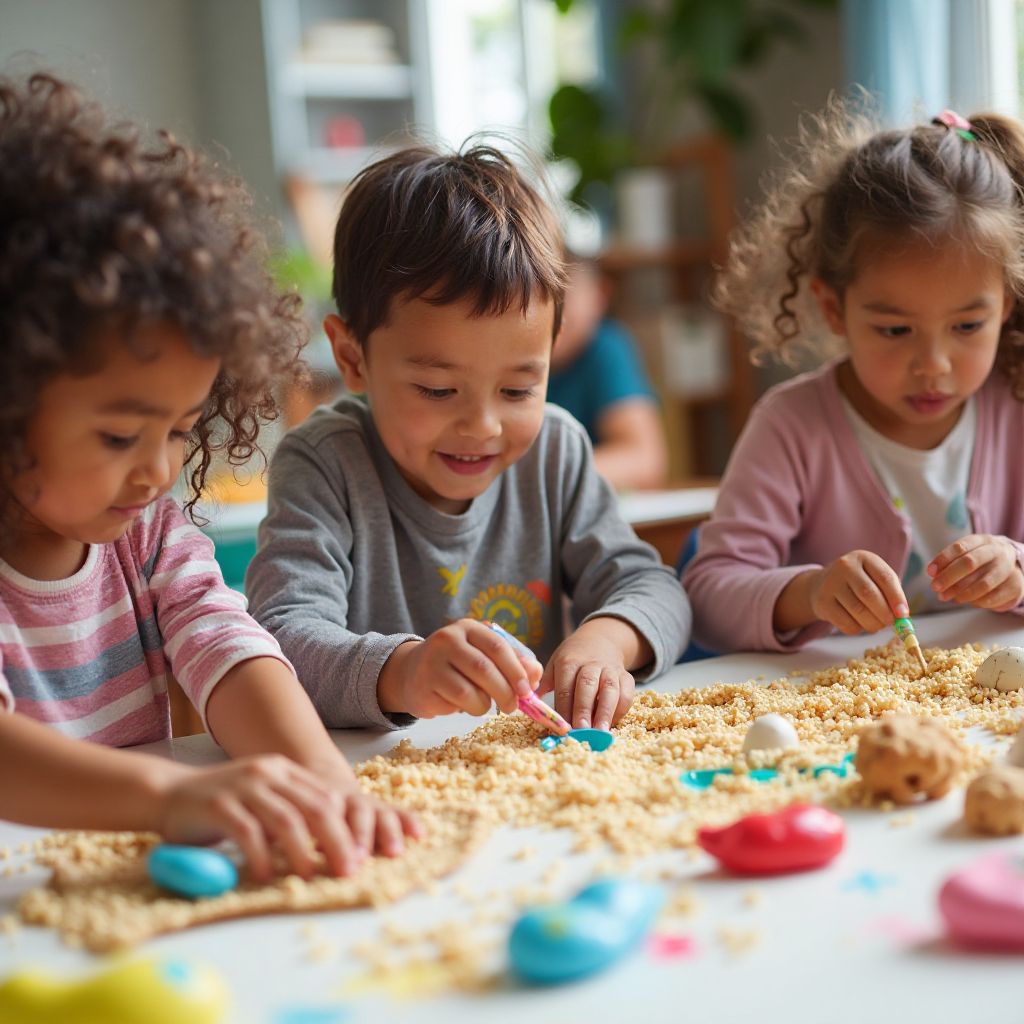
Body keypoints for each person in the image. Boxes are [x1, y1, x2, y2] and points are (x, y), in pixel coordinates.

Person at [0, 72, 419, 880]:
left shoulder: (146, 528)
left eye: (182, 430)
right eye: (121, 434)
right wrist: (165, 798)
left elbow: (226, 646)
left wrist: (326, 784)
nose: (158, 471)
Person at [245, 143, 690, 734]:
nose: (483, 427)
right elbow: (279, 637)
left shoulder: (555, 451)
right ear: (353, 357)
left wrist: (607, 642)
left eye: (517, 391)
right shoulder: (325, 463)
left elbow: (652, 586)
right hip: (379, 785)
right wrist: (404, 672)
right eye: (436, 390)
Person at [683, 101, 1024, 654]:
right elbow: (707, 594)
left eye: (967, 324)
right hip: (842, 713)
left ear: (1006, 305)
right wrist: (810, 592)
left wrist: (1016, 570)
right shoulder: (792, 425)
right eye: (895, 330)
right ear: (834, 309)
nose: (933, 364)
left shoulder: (1015, 406)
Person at [547, 259, 668, 490]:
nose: (551, 310)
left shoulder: (605, 347)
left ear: (600, 295)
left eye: (562, 296)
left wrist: (539, 476)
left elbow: (645, 460)